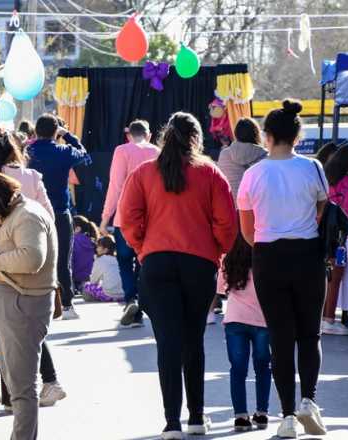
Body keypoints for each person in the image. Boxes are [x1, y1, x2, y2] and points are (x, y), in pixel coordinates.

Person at [118, 112, 237, 439]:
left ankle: (172, 422)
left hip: (157, 263)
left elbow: (127, 218)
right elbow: (227, 223)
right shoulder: (210, 173)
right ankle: (197, 417)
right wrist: (216, 251)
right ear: (196, 139)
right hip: (198, 264)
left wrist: (144, 248)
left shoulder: (144, 173)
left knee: (167, 344)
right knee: (192, 341)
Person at [237, 99, 329, 438]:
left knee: (280, 336)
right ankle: (309, 399)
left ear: (268, 136)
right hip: (307, 255)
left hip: (268, 257)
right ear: (296, 135)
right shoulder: (312, 168)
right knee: (310, 334)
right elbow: (321, 210)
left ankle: (287, 416)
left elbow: (247, 230)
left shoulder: (252, 174)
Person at [0, 129, 65, 416]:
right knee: (25, 339)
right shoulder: (29, 178)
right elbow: (50, 219)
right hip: (25, 276)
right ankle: (17, 396)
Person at [0, 171, 58, 440]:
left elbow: (32, 258)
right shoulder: (17, 215)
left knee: (21, 389)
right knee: (16, 384)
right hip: (12, 305)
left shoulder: (27, 215)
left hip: (22, 306)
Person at [27, 114, 91, 320]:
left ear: (36, 131)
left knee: (35, 258)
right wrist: (68, 136)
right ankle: (67, 304)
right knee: (63, 258)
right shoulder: (63, 151)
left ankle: (37, 304)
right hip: (60, 212)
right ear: (56, 132)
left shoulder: (28, 152)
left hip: (34, 212)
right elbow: (83, 153)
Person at [100, 120, 159, 328]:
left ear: (128, 136)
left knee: (125, 261)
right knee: (144, 262)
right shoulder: (157, 152)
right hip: (151, 218)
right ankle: (141, 306)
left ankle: (131, 301)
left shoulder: (122, 151)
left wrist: (105, 217)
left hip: (125, 217)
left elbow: (115, 186)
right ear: (149, 135)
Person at [218, 235, 271, 432]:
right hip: (263, 320)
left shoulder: (228, 258)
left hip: (235, 319)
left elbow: (222, 289)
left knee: (238, 370)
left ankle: (240, 416)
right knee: (263, 368)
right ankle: (262, 413)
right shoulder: (266, 259)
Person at [322, 144, 348, 337]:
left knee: (324, 277)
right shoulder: (345, 181)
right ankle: (329, 319)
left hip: (321, 235)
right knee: (336, 276)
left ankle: (322, 317)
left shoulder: (324, 175)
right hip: (339, 239)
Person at [216, 117, 267, 196]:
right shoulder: (265, 156)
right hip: (256, 205)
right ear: (256, 134)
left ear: (236, 133)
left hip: (230, 205)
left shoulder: (224, 155)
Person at [84, 235, 122, 302]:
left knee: (86, 286)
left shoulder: (100, 260)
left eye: (98, 246)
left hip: (109, 294)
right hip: (122, 295)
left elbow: (93, 281)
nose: (96, 249)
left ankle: (98, 299)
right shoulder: (118, 259)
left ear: (105, 249)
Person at [71, 215, 98, 294]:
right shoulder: (92, 241)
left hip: (75, 276)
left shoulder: (73, 240)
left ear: (78, 229)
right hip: (90, 277)